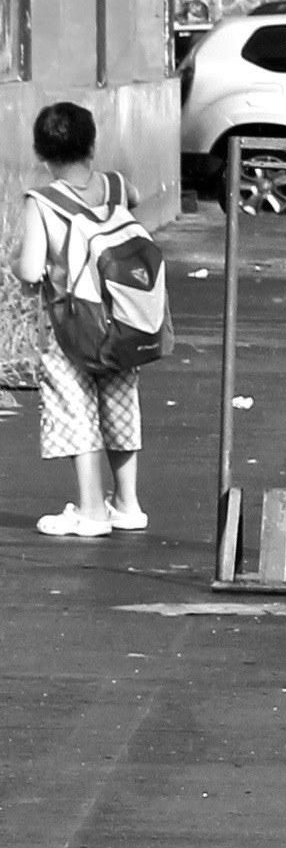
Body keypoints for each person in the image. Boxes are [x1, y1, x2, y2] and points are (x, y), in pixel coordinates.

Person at [16, 102, 149, 538]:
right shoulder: (116, 185)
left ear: (41, 153)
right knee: (119, 403)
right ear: (92, 145)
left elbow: (32, 268)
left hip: (70, 325)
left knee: (75, 408)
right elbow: (135, 202)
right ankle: (127, 504)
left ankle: (91, 510)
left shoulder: (42, 202)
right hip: (122, 318)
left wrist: (18, 265)